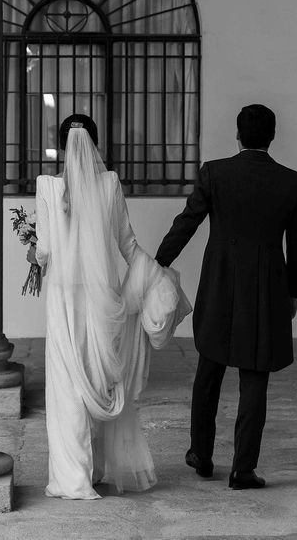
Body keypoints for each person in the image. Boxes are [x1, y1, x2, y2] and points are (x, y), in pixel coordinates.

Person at [29, 113, 191, 500]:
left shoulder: (47, 187)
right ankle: (97, 467)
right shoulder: (110, 184)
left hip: (64, 301)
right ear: (96, 145)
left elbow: (47, 250)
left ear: (62, 146)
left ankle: (73, 478)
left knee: (66, 385)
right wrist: (155, 276)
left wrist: (34, 254)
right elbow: (128, 246)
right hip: (102, 299)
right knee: (97, 377)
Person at [155, 103, 297, 490]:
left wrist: (157, 263)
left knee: (210, 369)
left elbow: (186, 223)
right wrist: (294, 291)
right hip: (267, 291)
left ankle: (201, 454)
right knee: (255, 377)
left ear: (237, 135)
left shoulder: (215, 173)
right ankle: (243, 469)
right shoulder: (291, 181)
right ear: (272, 137)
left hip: (221, 285)